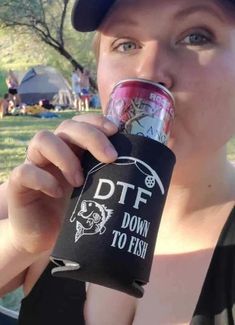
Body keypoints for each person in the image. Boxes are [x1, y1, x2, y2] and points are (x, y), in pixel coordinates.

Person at [1, 0, 235, 324]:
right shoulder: (47, 184)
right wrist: (20, 241)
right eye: (126, 43)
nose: (149, 72)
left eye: (196, 36)